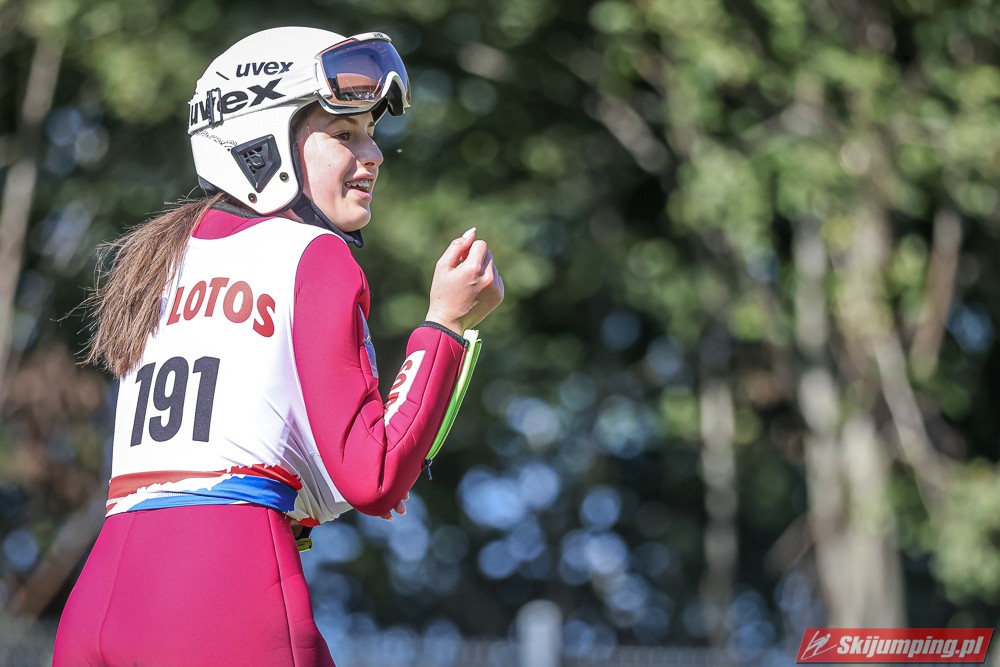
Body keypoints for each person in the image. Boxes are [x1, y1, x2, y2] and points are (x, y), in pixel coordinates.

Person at [53, 26, 503, 667]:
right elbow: (374, 477)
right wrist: (446, 325)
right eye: (344, 134)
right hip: (220, 592)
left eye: (370, 132)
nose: (374, 153)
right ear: (261, 143)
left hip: (100, 595)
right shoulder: (312, 254)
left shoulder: (159, 260)